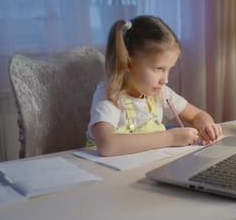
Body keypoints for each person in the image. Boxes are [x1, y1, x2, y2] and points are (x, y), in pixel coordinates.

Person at [87, 15, 222, 156]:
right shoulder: (109, 95)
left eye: (169, 69)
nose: (165, 80)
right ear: (127, 62)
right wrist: (171, 137)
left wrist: (207, 126)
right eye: (159, 69)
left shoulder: (161, 92)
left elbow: (198, 115)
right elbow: (107, 145)